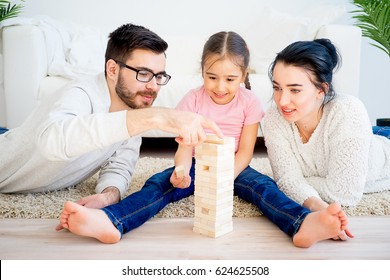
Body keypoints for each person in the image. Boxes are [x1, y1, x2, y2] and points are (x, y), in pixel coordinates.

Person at [58, 31, 350, 248]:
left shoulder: (250, 103)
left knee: (264, 187)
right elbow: (185, 147)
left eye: (230, 79)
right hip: (198, 163)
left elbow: (246, 151)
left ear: (243, 75)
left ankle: (302, 223)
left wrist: (225, 178)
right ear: (202, 72)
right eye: (212, 77)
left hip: (234, 167)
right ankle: (112, 220)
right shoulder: (192, 100)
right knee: (157, 185)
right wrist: (182, 170)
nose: (220, 87)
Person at [0, 23, 222, 209]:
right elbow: (51, 141)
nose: (154, 86)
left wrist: (109, 195)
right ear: (113, 69)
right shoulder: (80, 93)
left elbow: (119, 165)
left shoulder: (133, 108)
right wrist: (157, 117)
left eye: (159, 76)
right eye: (143, 74)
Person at [262, 39, 390, 214]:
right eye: (277, 88)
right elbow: (287, 181)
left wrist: (297, 181)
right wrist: (314, 202)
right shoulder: (273, 117)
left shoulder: (347, 111)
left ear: (321, 90)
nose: (282, 101)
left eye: (295, 90)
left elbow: (345, 194)